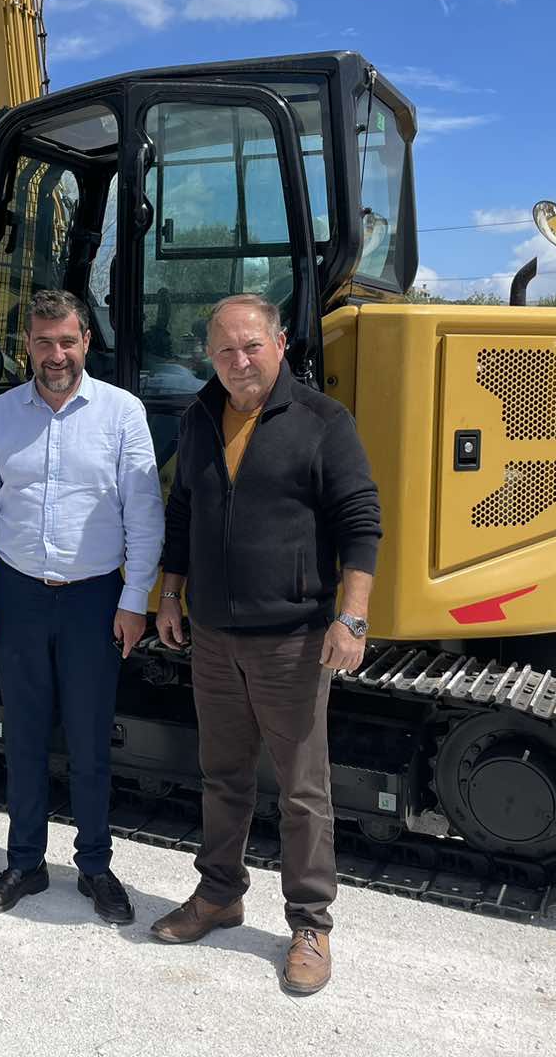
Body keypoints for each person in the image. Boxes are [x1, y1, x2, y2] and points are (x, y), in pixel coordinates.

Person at [150, 293, 381, 995]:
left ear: (280, 345)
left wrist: (353, 617)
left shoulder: (322, 421)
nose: (239, 360)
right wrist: (169, 594)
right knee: (222, 776)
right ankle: (219, 894)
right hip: (214, 635)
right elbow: (183, 510)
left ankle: (310, 924)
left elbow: (360, 520)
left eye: (251, 346)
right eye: (225, 349)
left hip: (292, 640)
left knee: (302, 790)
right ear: (209, 356)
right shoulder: (199, 417)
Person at [0, 289, 164, 924]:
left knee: (89, 740)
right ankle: (25, 862)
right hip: (16, 594)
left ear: (86, 343)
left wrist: (134, 600)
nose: (55, 355)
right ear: (27, 345)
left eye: (67, 341)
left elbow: (144, 516)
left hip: (94, 600)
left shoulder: (122, 414)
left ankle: (95, 866)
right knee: (22, 736)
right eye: (43, 342)